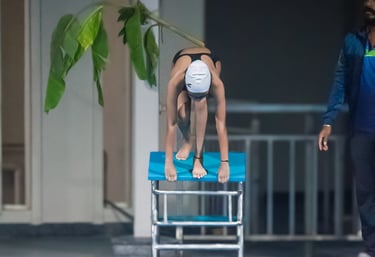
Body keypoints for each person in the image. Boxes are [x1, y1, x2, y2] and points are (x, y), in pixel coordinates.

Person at [318, 1, 375, 256]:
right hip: (362, 130)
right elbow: (340, 80)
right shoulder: (353, 41)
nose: (368, 4)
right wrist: (328, 121)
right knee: (365, 194)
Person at [164, 47, 229, 183]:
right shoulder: (175, 82)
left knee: (201, 105)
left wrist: (224, 163)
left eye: (201, 95)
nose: (196, 99)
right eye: (194, 96)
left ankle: (198, 158)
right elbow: (171, 125)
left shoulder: (217, 84)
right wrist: (168, 163)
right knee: (181, 113)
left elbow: (221, 124)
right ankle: (188, 140)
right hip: (181, 58)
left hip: (210, 59)